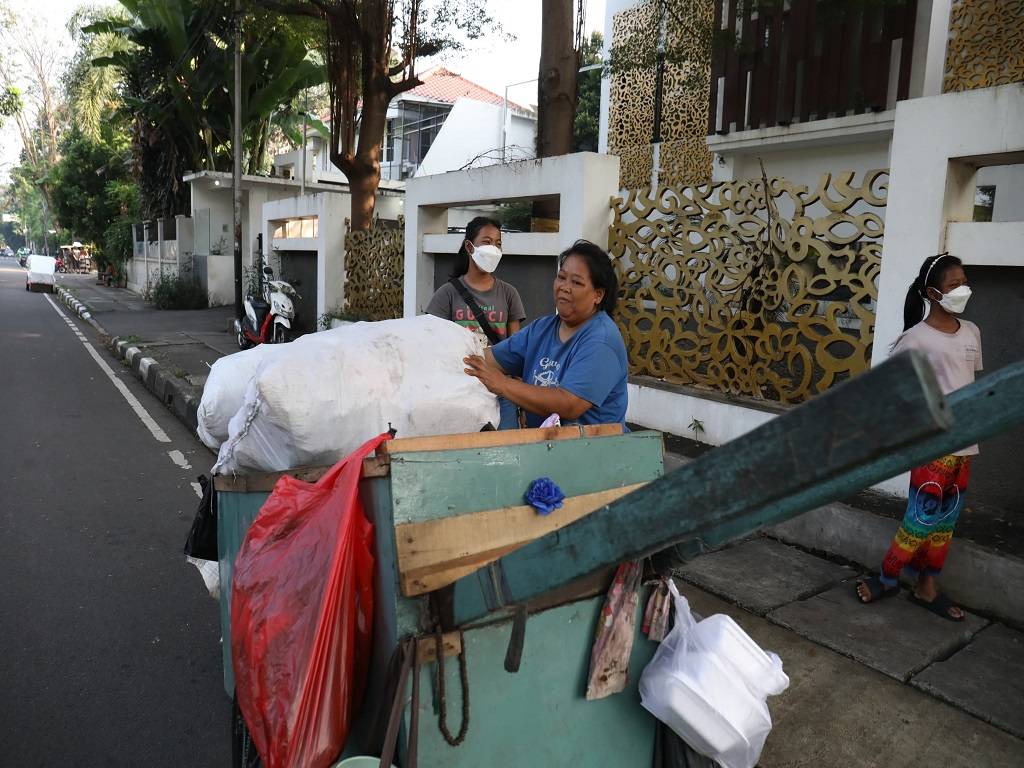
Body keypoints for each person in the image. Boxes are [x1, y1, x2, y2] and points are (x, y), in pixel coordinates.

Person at [856, 253, 981, 621]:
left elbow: (968, 383)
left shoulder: (972, 332)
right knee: (920, 519)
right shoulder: (915, 339)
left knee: (945, 523)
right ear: (932, 292)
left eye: (964, 281)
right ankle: (888, 577)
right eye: (954, 284)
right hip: (931, 448)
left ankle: (927, 587)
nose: (964, 289)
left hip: (965, 446)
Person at [463, 239, 628, 428]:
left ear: (598, 295)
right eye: (561, 277)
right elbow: (487, 359)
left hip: (594, 451)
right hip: (545, 447)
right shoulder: (542, 329)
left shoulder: (602, 340)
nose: (564, 287)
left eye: (576, 282)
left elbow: (569, 404)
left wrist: (503, 384)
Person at [426, 216, 526, 429]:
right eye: (487, 242)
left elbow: (516, 348)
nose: (494, 249)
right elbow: (431, 345)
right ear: (469, 247)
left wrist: (521, 397)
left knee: (505, 450)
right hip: (459, 391)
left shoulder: (509, 294)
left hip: (501, 391)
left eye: (498, 243)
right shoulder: (447, 294)